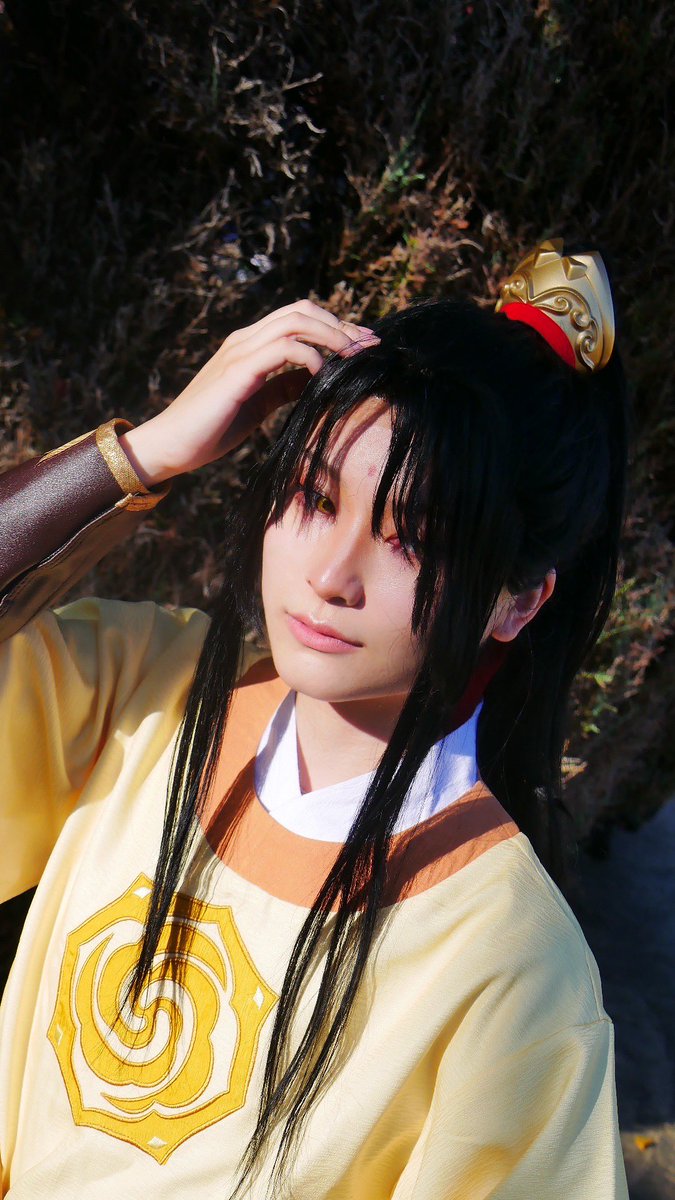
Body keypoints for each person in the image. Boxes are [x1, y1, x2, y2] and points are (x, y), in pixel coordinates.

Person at [0, 238, 632, 1199]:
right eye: (314, 496)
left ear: (517, 602)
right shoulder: (145, 693)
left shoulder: (511, 962)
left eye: (412, 539)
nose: (332, 575)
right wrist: (145, 451)